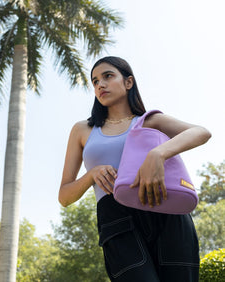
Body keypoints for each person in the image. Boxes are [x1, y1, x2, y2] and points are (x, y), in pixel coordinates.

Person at [58, 56, 211, 282]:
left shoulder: (149, 120)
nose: (100, 84)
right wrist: (91, 174)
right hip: (115, 216)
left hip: (165, 208)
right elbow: (64, 196)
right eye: (95, 81)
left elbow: (201, 132)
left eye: (108, 76)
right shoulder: (83, 130)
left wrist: (158, 153)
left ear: (128, 82)